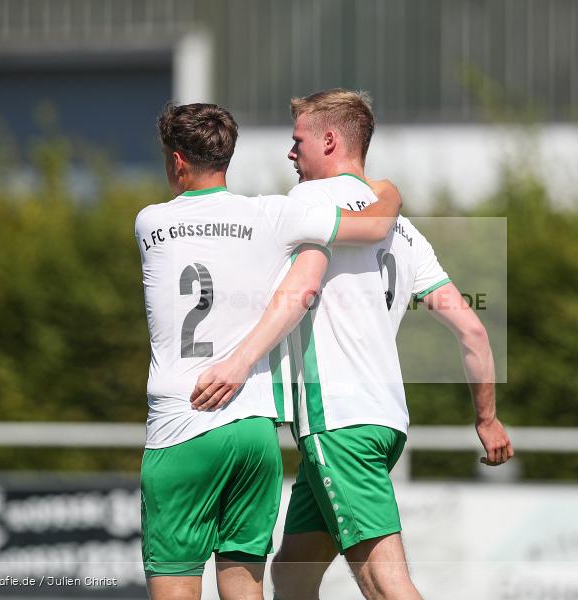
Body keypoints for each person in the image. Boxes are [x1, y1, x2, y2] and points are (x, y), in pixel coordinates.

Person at [192, 89, 513, 600]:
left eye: (297, 141)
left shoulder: (309, 202)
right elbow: (473, 330)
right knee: (294, 571)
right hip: (384, 421)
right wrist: (486, 417)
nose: (289, 153)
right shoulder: (408, 234)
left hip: (337, 419)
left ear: (329, 138)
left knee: (384, 583)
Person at [136, 101, 403, 600]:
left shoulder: (150, 222)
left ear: (176, 162)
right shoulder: (274, 213)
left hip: (181, 424)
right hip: (254, 430)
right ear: (228, 156)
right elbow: (374, 225)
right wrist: (389, 189)